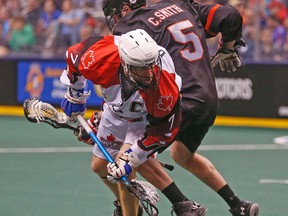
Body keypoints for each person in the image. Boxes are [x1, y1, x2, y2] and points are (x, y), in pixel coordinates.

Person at [101, 0, 260, 216]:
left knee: (130, 153)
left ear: (125, 10)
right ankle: (238, 204)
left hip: (179, 99)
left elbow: (128, 79)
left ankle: (182, 205)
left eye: (114, 14)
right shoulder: (181, 6)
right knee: (181, 155)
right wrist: (229, 48)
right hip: (208, 99)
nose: (114, 21)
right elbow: (230, 15)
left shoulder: (131, 24)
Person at [60, 29, 203, 216]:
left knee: (122, 167)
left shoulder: (165, 89)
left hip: (144, 118)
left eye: (151, 65)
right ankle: (136, 204)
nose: (149, 73)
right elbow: (73, 56)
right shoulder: (99, 59)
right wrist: (75, 95)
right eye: (140, 68)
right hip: (115, 111)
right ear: (125, 64)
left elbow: (163, 133)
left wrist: (132, 157)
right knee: (99, 166)